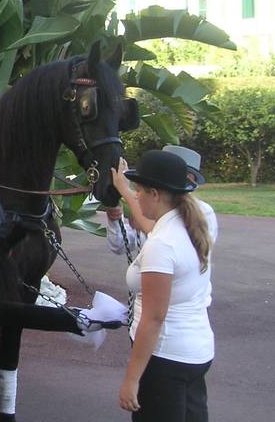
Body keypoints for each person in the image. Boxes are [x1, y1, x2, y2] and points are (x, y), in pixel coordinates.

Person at [116, 150, 214, 420]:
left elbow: (154, 318)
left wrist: (132, 379)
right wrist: (123, 189)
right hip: (196, 351)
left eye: (139, 190)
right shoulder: (195, 221)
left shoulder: (162, 244)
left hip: (165, 358)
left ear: (155, 194)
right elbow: (149, 224)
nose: (136, 196)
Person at [107, 145, 219, 260]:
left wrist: (125, 191)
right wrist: (115, 220)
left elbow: (164, 240)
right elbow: (119, 245)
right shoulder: (151, 211)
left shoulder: (204, 212)